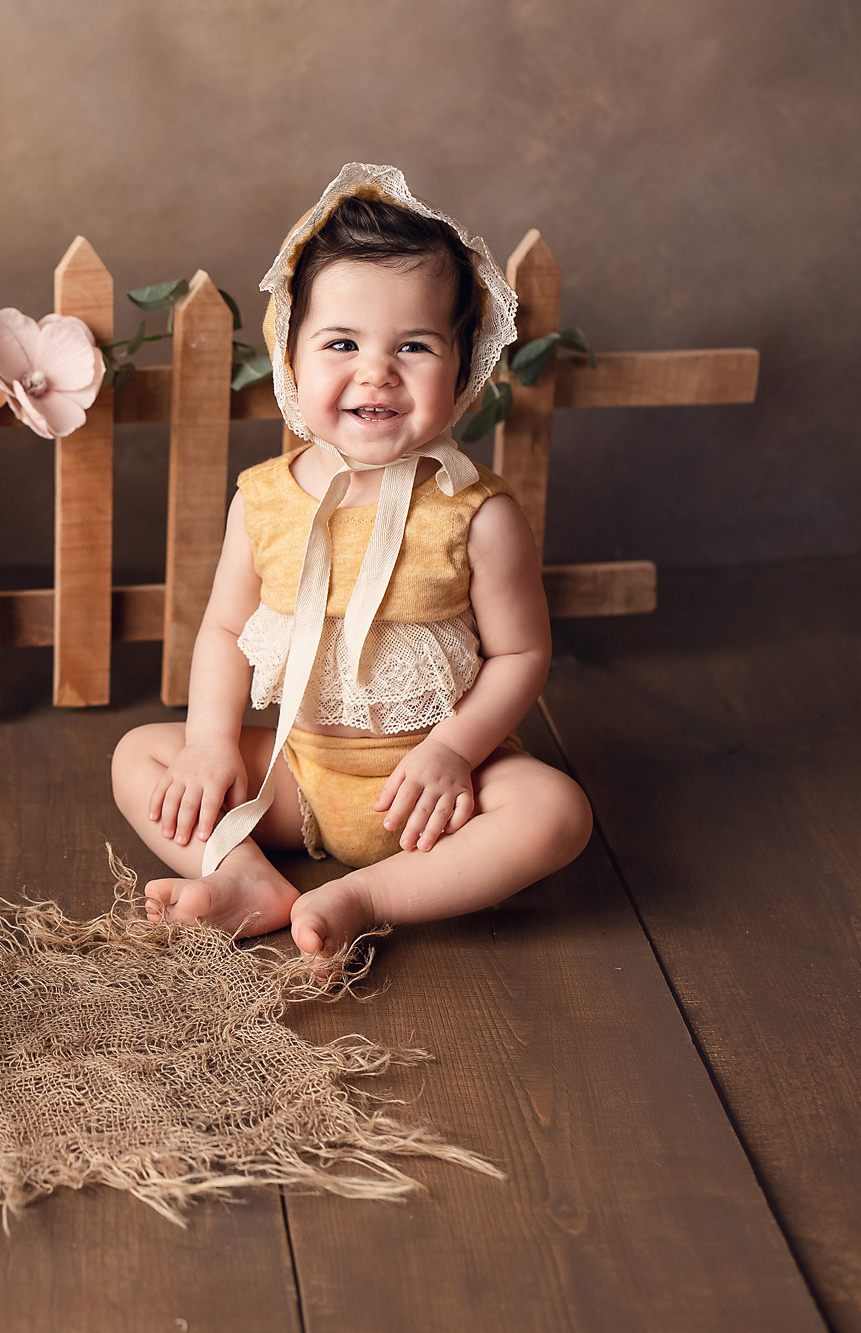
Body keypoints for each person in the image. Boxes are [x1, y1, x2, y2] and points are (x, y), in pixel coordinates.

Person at [111, 163, 591, 959]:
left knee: (556, 812)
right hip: (297, 774)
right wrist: (210, 744)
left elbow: (521, 654)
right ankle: (244, 876)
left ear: (463, 364)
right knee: (141, 755)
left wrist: (452, 751)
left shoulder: (477, 512)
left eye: (414, 345)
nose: (377, 370)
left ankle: (369, 896)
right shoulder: (263, 499)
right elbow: (225, 631)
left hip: (434, 789)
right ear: (291, 356)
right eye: (342, 343)